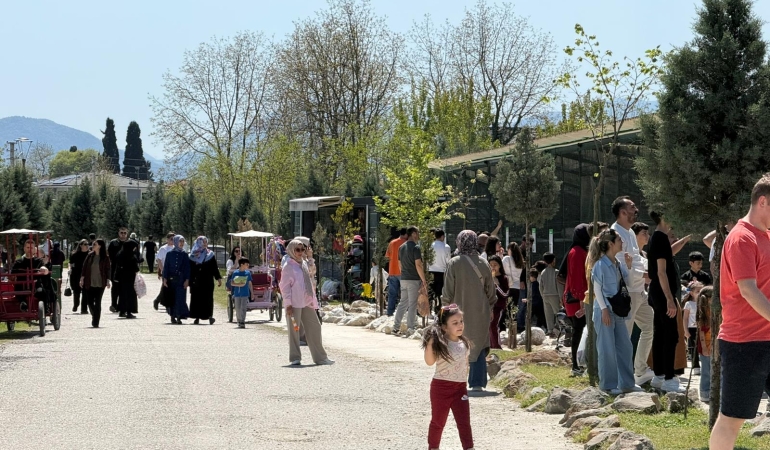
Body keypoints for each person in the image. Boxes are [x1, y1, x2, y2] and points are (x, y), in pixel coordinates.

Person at [710, 175, 770, 450]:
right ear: (762, 201)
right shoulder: (741, 238)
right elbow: (748, 290)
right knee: (732, 419)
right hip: (745, 343)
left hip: (766, 339)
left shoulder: (766, 236)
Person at [588, 229, 641, 395]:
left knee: (625, 346)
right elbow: (597, 288)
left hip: (618, 311)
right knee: (607, 348)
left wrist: (630, 266)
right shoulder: (600, 265)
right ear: (611, 244)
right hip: (605, 310)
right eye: (619, 239)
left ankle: (627, 383)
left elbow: (628, 282)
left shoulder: (618, 264)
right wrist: (604, 309)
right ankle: (608, 385)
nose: (622, 241)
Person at [610, 196, 656, 386]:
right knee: (624, 337)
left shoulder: (629, 232)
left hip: (639, 290)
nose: (636, 210)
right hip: (628, 292)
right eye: (632, 207)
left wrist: (648, 270)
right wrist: (643, 274)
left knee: (649, 326)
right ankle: (622, 379)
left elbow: (635, 259)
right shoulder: (615, 234)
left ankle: (640, 370)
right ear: (622, 212)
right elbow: (620, 264)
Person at [442, 230, 496, 392]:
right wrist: (490, 307)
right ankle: (477, 382)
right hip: (480, 311)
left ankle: (455, 380)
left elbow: (448, 291)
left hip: (457, 313)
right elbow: (490, 291)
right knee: (478, 343)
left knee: (458, 344)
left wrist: (445, 308)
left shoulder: (454, 263)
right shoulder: (483, 263)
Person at [422, 304, 474, 450]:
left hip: (460, 389)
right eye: (455, 323)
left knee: (464, 422)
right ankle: (433, 447)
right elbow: (429, 362)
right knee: (438, 422)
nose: (460, 325)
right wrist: (430, 342)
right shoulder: (440, 343)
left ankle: (469, 447)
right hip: (441, 387)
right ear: (445, 327)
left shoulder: (465, 343)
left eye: (461, 321)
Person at [279, 239, 334, 365]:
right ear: (291, 250)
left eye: (302, 249)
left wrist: (310, 257)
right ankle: (295, 358)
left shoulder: (303, 263)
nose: (300, 252)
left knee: (315, 327)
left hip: (307, 301)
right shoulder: (288, 266)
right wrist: (288, 304)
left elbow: (312, 272)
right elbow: (284, 287)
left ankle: (320, 358)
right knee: (294, 329)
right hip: (294, 303)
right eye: (297, 250)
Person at [647, 210, 683, 393]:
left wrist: (684, 240)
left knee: (660, 333)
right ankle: (669, 378)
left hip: (656, 291)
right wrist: (670, 299)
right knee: (671, 335)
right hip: (662, 293)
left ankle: (659, 375)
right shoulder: (660, 238)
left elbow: (669, 254)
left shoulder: (658, 237)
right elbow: (661, 272)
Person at [562, 224, 590, 376]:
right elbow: (578, 279)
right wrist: (582, 301)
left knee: (578, 331)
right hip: (577, 299)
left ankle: (578, 363)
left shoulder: (576, 250)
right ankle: (576, 364)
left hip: (577, 297)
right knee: (579, 331)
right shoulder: (578, 252)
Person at [393, 227, 428, 337]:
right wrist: (423, 279)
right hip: (413, 279)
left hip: (404, 278)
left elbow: (400, 264)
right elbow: (418, 264)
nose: (418, 235)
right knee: (412, 304)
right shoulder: (416, 248)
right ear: (413, 234)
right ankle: (410, 327)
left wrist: (404, 273)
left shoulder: (401, 247)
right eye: (417, 233)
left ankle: (396, 327)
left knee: (403, 303)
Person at [189, 236, 222, 325]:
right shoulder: (192, 255)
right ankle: (196, 317)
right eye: (203, 242)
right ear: (198, 242)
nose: (205, 244)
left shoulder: (210, 254)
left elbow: (214, 267)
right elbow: (190, 269)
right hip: (196, 281)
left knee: (208, 299)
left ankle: (209, 317)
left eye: (205, 242)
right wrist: (188, 280)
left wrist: (218, 278)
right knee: (196, 299)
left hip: (207, 281)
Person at [80, 239, 111, 328]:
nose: (93, 245)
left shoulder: (105, 258)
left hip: (100, 283)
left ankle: (95, 322)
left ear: (100, 246)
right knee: (89, 302)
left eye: (95, 244)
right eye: (93, 244)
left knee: (98, 302)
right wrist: (82, 278)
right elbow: (84, 267)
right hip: (90, 282)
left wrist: (108, 280)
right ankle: (95, 315)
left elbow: (108, 269)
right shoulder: (90, 256)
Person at [163, 235, 190, 324]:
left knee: (180, 298)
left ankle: (179, 316)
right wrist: (165, 278)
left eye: (183, 241)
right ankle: (172, 316)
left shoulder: (184, 255)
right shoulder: (169, 254)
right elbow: (166, 267)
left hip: (181, 280)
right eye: (180, 241)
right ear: (175, 242)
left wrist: (187, 280)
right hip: (171, 280)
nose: (181, 243)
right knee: (172, 298)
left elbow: (187, 268)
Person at [682, 281, 703, 375]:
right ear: (691, 293)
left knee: (702, 346)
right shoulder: (689, 304)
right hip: (692, 328)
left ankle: (705, 365)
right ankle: (695, 366)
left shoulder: (704, 302)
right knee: (693, 348)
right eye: (697, 291)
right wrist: (685, 330)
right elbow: (685, 318)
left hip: (702, 327)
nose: (700, 293)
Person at [384, 228, 407, 316]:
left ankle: (390, 312)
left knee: (392, 294)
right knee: (404, 295)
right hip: (403, 272)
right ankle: (403, 313)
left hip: (392, 271)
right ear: (406, 234)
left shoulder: (392, 242)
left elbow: (387, 256)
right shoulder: (406, 243)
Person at [487, 255, 508, 349]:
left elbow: (505, 294)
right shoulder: (486, 278)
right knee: (487, 326)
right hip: (487, 306)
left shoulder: (504, 278)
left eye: (495, 265)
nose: (493, 267)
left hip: (498, 306)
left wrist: (496, 286)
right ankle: (490, 345)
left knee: (493, 325)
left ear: (500, 266)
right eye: (490, 265)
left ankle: (497, 346)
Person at [502, 242, 524, 332]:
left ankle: (504, 327)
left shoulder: (507, 259)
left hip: (508, 286)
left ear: (510, 250)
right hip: (516, 287)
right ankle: (513, 327)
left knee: (505, 307)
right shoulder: (520, 261)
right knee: (513, 308)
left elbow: (502, 269)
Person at [114, 239, 139, 319]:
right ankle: (129, 312)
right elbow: (135, 267)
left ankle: (122, 311)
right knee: (130, 295)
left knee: (122, 295)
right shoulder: (130, 255)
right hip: (129, 277)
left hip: (121, 277)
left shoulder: (120, 253)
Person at [538, 253, 562, 337]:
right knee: (558, 313)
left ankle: (550, 330)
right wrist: (561, 297)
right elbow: (559, 286)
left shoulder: (543, 272)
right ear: (553, 261)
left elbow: (540, 286)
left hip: (545, 295)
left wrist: (542, 295)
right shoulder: (556, 272)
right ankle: (559, 329)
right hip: (554, 294)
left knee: (548, 314)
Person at [696, 285, 713, 403]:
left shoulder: (714, 310)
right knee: (706, 370)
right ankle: (704, 392)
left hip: (714, 344)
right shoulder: (703, 313)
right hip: (705, 346)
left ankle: (713, 391)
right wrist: (705, 347)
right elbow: (701, 333)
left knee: (714, 370)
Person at [107, 227, 129, 313]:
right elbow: (110, 255)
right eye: (121, 233)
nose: (123, 235)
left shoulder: (129, 243)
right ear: (118, 233)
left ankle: (122, 305)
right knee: (115, 287)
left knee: (124, 288)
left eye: (124, 233)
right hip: (115, 268)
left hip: (126, 269)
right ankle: (114, 304)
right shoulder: (113, 243)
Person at [429, 230, 451, 311]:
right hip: (442, 272)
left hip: (431, 271)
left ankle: (429, 309)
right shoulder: (446, 247)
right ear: (442, 236)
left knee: (431, 292)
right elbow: (448, 261)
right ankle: (438, 309)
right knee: (440, 292)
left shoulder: (430, 246)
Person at [153, 232, 175, 310]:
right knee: (165, 287)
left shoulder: (175, 248)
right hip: (166, 271)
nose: (172, 241)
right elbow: (159, 260)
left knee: (169, 288)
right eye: (171, 239)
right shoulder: (163, 248)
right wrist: (162, 270)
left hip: (174, 272)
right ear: (167, 239)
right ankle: (159, 301)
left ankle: (161, 301)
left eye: (174, 239)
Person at [229, 257, 252, 329]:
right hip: (237, 294)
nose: (247, 266)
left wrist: (252, 293)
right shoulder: (235, 273)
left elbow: (250, 283)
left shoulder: (247, 273)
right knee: (238, 308)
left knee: (243, 308)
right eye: (246, 264)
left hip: (245, 293)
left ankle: (242, 321)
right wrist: (239, 284)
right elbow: (232, 283)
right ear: (242, 264)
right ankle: (239, 320)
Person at [69, 239, 90, 314]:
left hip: (86, 275)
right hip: (76, 274)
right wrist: (70, 270)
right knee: (76, 291)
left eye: (87, 244)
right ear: (80, 245)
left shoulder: (90, 254)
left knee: (85, 292)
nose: (87, 245)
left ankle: (84, 309)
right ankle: (76, 304)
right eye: (85, 244)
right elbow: (71, 264)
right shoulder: (74, 254)